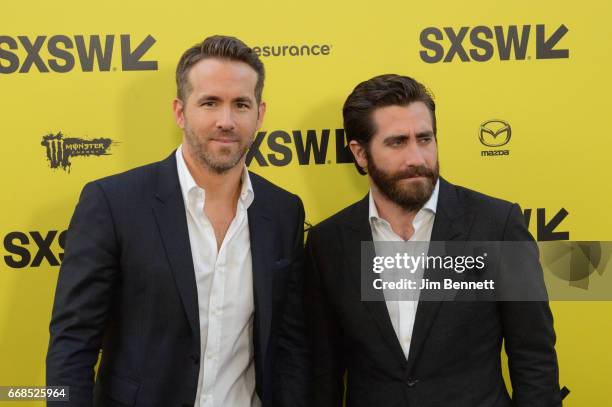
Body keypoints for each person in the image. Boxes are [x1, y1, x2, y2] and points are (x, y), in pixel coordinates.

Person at [46, 35, 307, 407]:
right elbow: (73, 341)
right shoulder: (113, 203)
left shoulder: (283, 211)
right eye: (210, 103)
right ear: (180, 111)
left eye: (241, 104)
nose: (226, 121)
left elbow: (289, 344)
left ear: (260, 114)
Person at [304, 74, 561, 406]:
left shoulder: (496, 226)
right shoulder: (329, 243)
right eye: (397, 142)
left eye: (424, 139)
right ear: (360, 153)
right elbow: (323, 374)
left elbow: (534, 358)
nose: (417, 158)